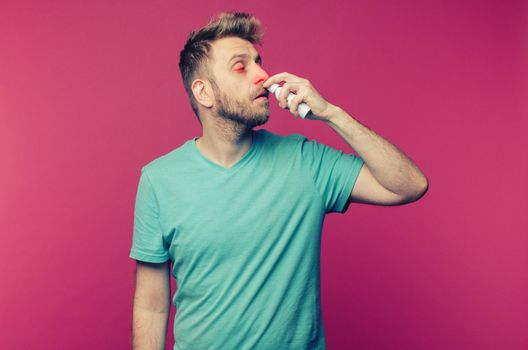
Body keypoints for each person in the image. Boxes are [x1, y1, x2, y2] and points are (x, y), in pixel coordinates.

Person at [129, 11, 428, 350]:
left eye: (259, 62)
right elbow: (151, 305)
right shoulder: (159, 180)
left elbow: (409, 185)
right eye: (241, 67)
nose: (263, 76)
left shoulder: (305, 161)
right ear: (204, 92)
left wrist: (331, 113)